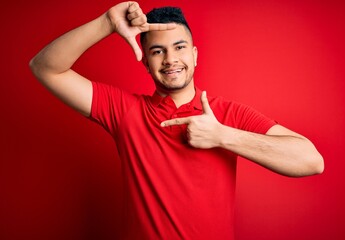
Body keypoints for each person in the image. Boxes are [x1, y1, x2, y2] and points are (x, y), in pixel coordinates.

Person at [29, 1, 324, 239]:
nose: (170, 59)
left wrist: (223, 136)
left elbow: (311, 161)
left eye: (180, 47)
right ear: (146, 62)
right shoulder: (124, 111)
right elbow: (45, 68)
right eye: (158, 51)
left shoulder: (227, 115)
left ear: (195, 55)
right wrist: (106, 23)